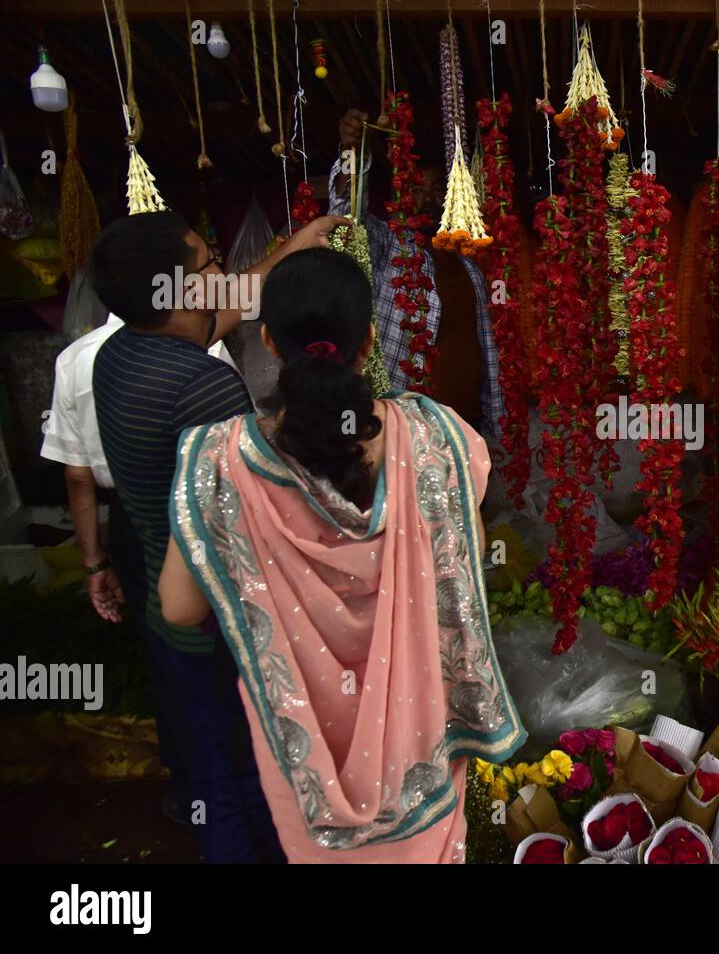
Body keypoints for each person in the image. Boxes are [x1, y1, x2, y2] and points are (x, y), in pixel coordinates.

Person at [160, 248, 523, 862]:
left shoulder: (220, 464)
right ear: (371, 338)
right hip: (421, 738)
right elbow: (466, 559)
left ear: (269, 341)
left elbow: (177, 607)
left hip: (307, 758)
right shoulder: (435, 440)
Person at [87, 208, 345, 861]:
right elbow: (258, 525)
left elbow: (218, 310)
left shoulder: (122, 352)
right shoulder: (201, 387)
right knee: (244, 776)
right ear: (172, 292)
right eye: (206, 262)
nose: (220, 271)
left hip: (169, 608)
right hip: (219, 622)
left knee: (214, 762)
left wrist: (290, 249)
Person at [41, 296, 237, 824]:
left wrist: (94, 562)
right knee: (213, 656)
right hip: (193, 515)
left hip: (129, 512)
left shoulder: (84, 357)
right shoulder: (203, 357)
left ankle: (191, 788)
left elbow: (78, 474)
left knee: (168, 652)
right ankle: (228, 792)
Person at [329, 108, 504, 435]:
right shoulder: (388, 247)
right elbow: (345, 218)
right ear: (401, 194)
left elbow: (484, 347)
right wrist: (351, 152)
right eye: (416, 189)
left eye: (438, 189)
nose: (427, 198)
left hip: (468, 425)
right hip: (410, 428)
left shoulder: (469, 266)